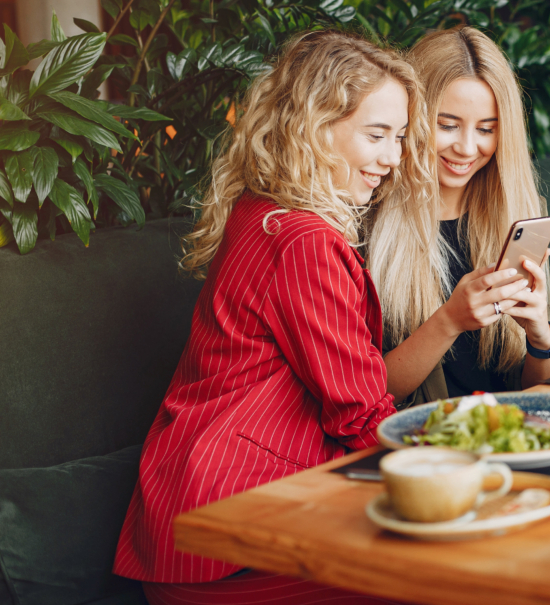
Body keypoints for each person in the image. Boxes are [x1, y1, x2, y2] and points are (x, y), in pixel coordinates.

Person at [113, 30, 432, 604]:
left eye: (401, 137)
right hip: (230, 538)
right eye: (377, 135)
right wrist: (474, 462)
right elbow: (362, 417)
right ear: (313, 129)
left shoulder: (260, 210)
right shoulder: (305, 240)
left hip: (185, 522)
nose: (393, 159)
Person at [366, 26, 550, 407]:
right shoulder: (366, 225)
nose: (468, 148)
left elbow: (544, 399)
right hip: (422, 444)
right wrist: (450, 320)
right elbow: (367, 396)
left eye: (487, 129)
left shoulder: (513, 215)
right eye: (447, 125)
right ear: (412, 120)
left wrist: (540, 338)